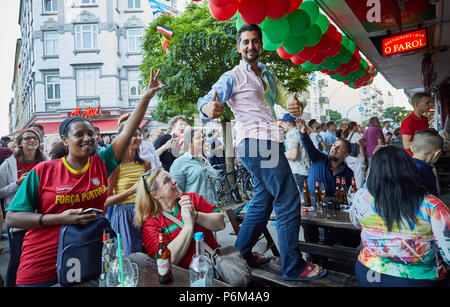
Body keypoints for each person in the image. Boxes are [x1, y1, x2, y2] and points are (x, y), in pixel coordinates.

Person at [5, 68, 164, 287]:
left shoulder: (102, 163)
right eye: (79, 134)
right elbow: (12, 217)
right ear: (65, 139)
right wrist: (61, 218)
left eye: (91, 134)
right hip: (41, 265)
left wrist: (146, 96)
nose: (87, 139)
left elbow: (127, 131)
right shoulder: (43, 171)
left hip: (87, 259)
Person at [198, 24, 326, 280]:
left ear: (261, 45)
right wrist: (206, 108)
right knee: (288, 199)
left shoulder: (267, 75)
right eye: (245, 42)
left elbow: (286, 97)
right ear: (239, 47)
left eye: (255, 41)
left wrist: (293, 103)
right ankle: (293, 266)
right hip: (257, 143)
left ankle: (239, 253)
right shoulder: (232, 76)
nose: (250, 46)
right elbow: (208, 98)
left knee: (263, 199)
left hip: (263, 142)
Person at [350, 146, 450, 287]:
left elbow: (356, 222)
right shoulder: (431, 205)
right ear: (410, 170)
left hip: (368, 272)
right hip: (416, 278)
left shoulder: (360, 196)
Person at [134, 168, 225, 269]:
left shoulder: (192, 199)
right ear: (155, 195)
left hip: (213, 266)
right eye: (167, 181)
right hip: (182, 277)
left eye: (171, 177)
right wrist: (188, 225)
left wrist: (195, 215)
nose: (174, 181)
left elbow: (221, 223)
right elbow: (166, 261)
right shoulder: (151, 224)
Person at [297, 118, 359, 263]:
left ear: (346, 155)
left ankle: (325, 252)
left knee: (337, 232)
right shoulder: (319, 158)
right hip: (311, 205)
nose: (334, 148)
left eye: (340, 148)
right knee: (309, 228)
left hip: (332, 209)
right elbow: (308, 147)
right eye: (334, 145)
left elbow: (344, 196)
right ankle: (314, 258)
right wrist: (303, 133)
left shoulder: (348, 173)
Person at [0, 129, 46, 286]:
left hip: (41, 214)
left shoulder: (45, 161)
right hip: (18, 216)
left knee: (38, 257)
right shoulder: (8, 164)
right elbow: (0, 192)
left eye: (35, 138)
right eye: (27, 138)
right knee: (17, 257)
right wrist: (17, 184)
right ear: (19, 143)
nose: (32, 141)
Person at [104, 125, 150, 256]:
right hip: (125, 215)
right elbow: (105, 201)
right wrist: (131, 191)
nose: (138, 138)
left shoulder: (145, 164)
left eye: (139, 134)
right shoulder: (116, 167)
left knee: (149, 254)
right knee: (131, 256)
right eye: (134, 134)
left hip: (146, 212)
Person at [170, 127, 219, 206]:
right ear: (189, 142)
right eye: (198, 138)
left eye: (202, 137)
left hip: (213, 208)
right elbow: (177, 192)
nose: (202, 140)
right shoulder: (179, 163)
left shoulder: (205, 160)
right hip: (196, 212)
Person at [279, 113, 310, 194]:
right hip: (304, 171)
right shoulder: (298, 132)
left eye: (283, 123)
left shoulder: (291, 134)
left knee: (301, 199)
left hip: (298, 172)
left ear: (288, 123)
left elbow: (293, 155)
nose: (282, 126)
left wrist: (279, 156)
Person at [411, 130, 443, 196]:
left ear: (411, 148)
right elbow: (434, 195)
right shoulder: (425, 170)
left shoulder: (404, 165)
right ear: (437, 153)